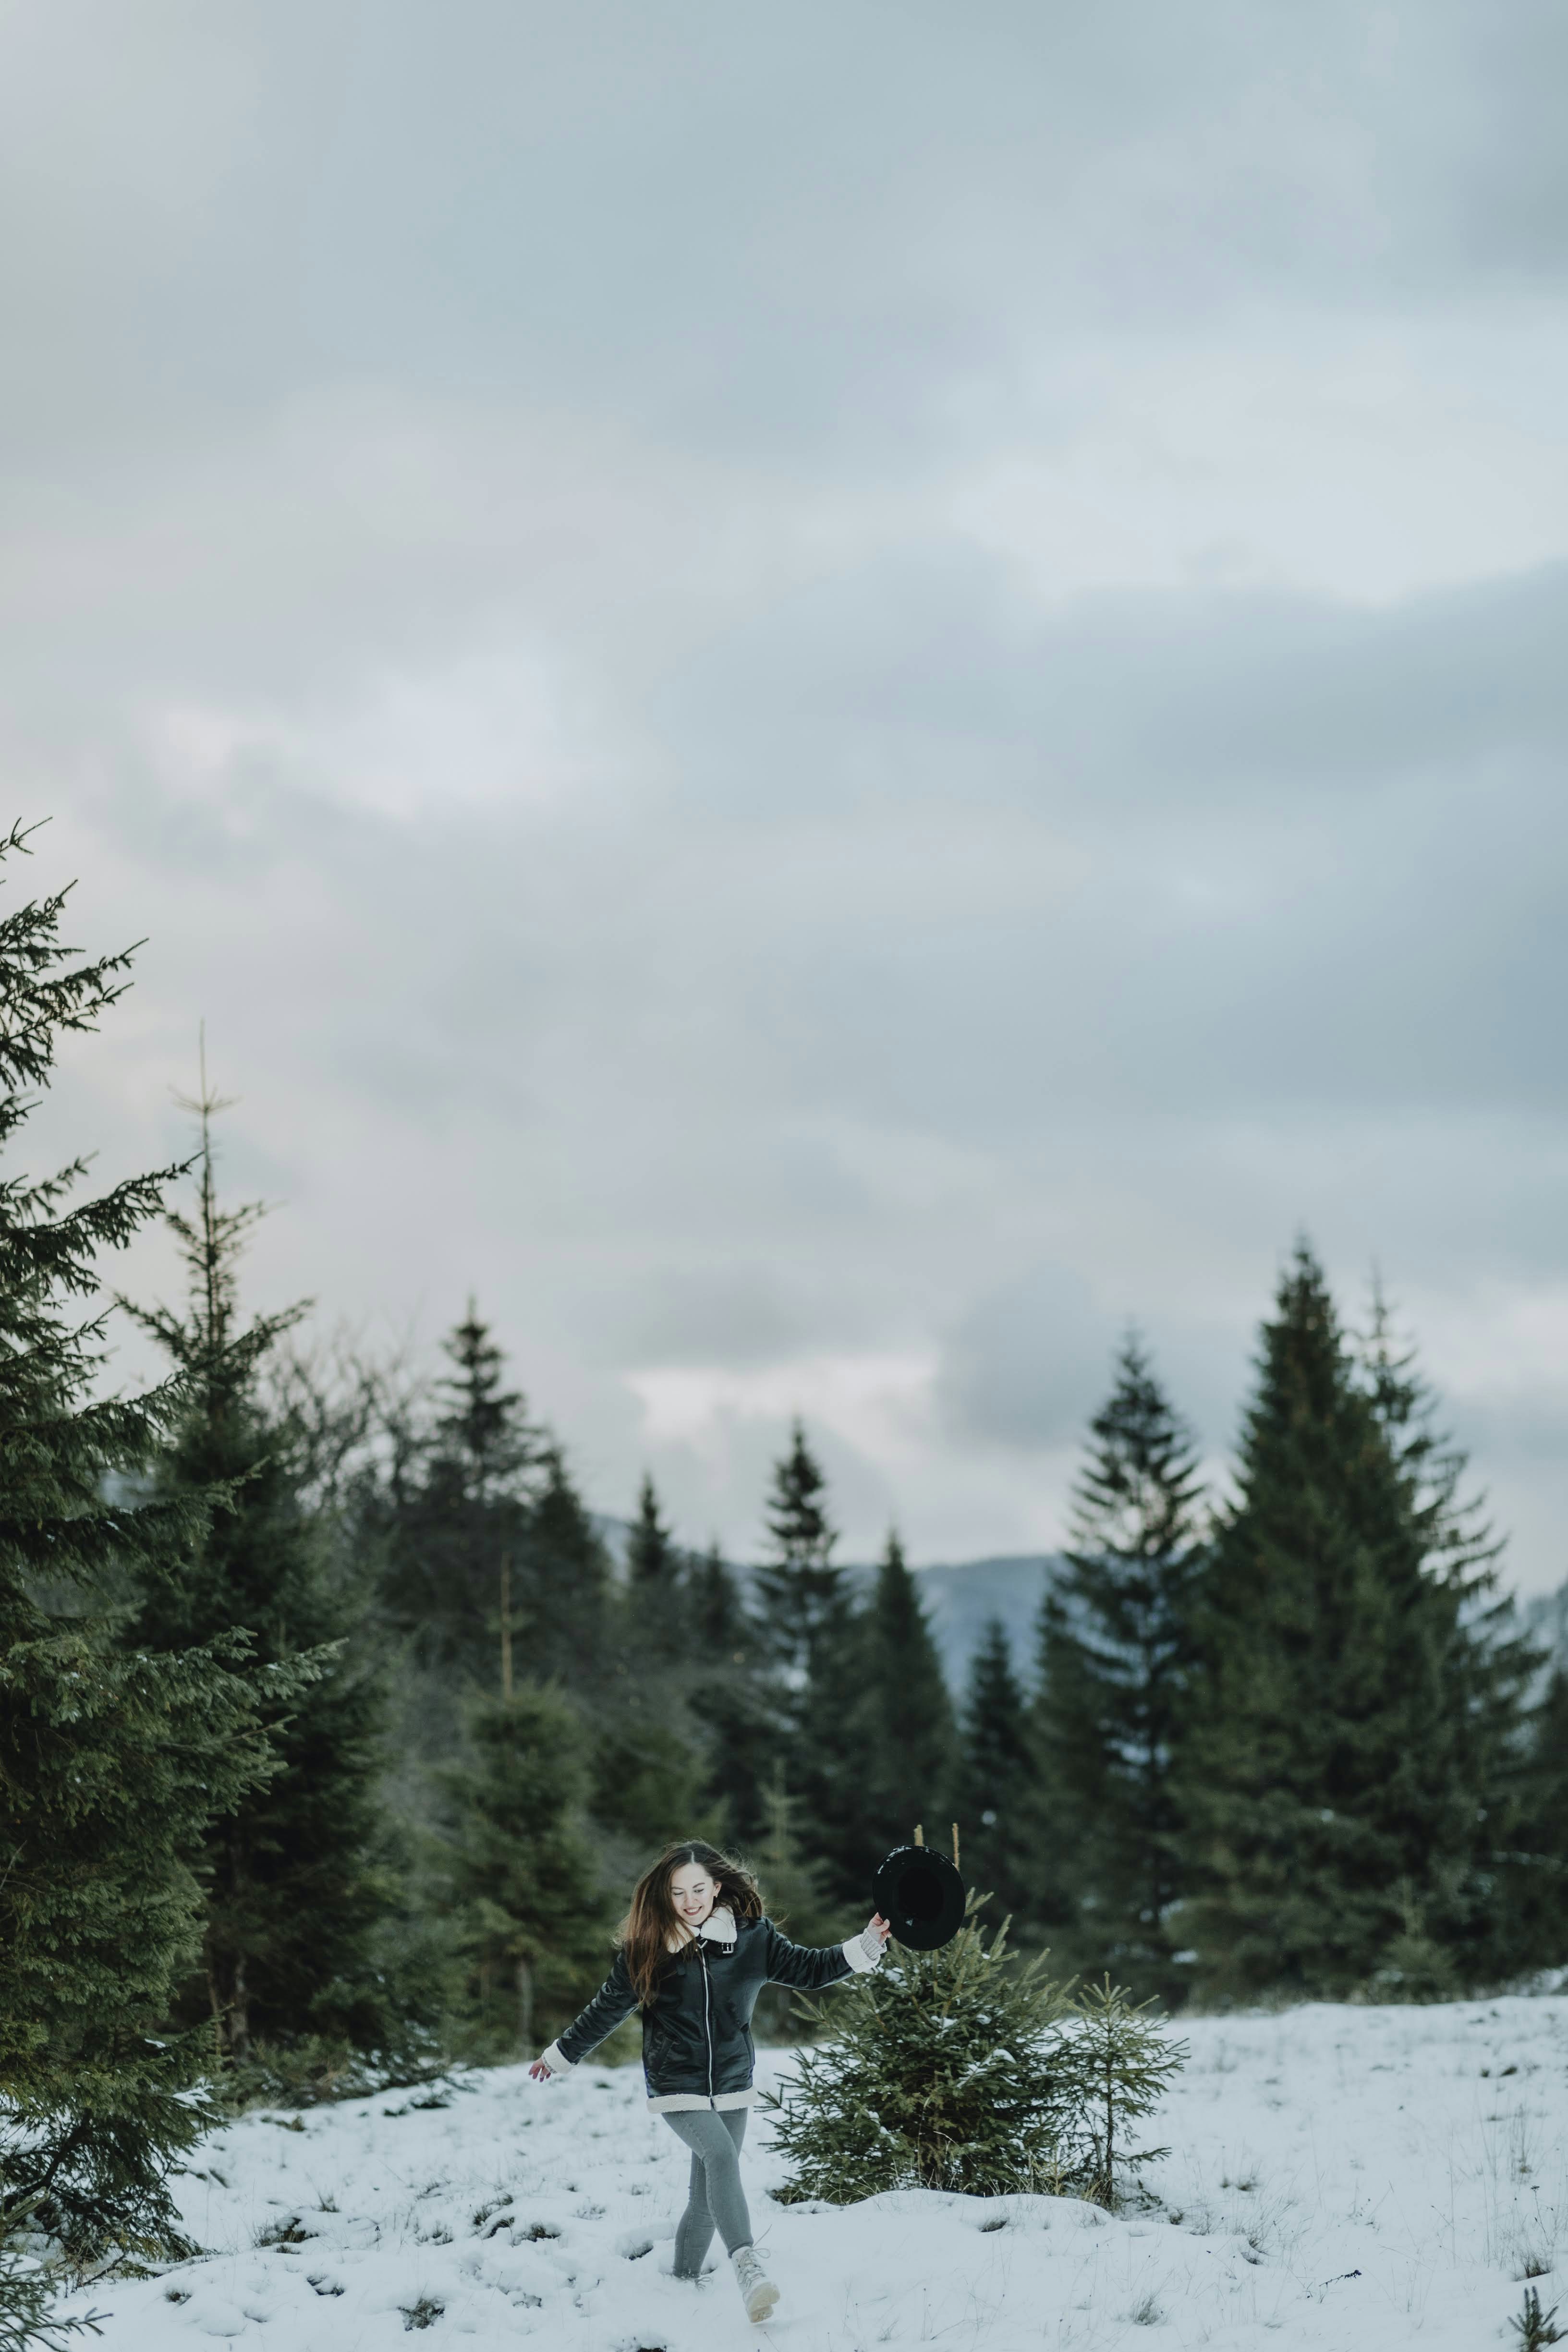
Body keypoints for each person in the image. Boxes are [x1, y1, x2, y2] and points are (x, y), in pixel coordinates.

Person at [530, 1837, 889, 2323]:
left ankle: (680, 2279)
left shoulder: (753, 1938)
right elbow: (607, 2008)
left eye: (698, 1889)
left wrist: (865, 1944)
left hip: (733, 2077)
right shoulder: (648, 1950)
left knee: (704, 2198)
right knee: (720, 2156)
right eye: (678, 1893)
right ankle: (747, 2264)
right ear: (665, 1896)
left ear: (716, 1887)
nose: (690, 1901)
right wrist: (560, 2054)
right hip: (675, 2078)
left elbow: (809, 1968)